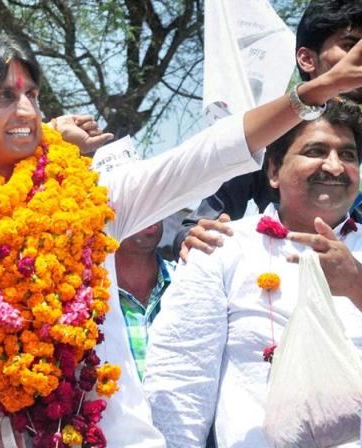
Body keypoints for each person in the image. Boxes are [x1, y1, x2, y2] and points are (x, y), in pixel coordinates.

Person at [0, 33, 362, 448]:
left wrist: (314, 92)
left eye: (32, 96)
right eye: (4, 97)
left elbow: (203, 157)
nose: (27, 111)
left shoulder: (91, 195)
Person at [144, 99, 362, 447]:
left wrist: (357, 285)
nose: (335, 167)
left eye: (348, 155)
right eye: (316, 151)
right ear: (273, 171)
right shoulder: (222, 248)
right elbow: (181, 379)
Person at [175, 0, 362, 261]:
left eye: (348, 154)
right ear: (307, 60)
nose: (334, 167)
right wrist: (194, 237)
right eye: (350, 45)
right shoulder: (268, 135)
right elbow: (202, 224)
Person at [114, 221, 174, 381]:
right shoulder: (82, 297)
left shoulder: (188, 282)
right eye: (135, 198)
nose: (149, 206)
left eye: (155, 200)